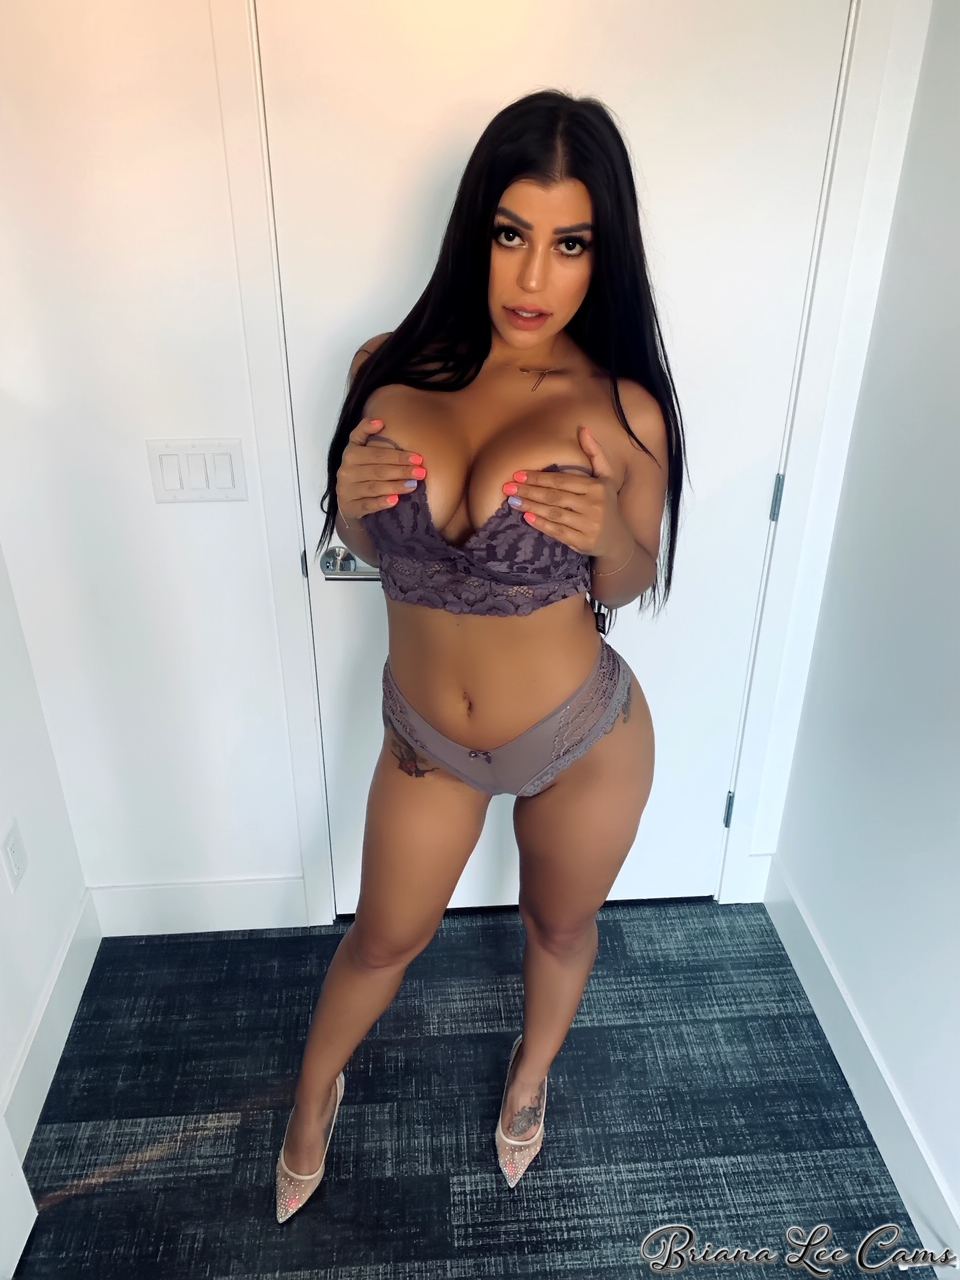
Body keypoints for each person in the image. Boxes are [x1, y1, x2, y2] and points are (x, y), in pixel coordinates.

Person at [275, 88, 687, 1222]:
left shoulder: (625, 411)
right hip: (427, 740)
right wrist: (350, 505)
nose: (534, 276)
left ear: (604, 253)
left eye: (570, 243)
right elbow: (375, 550)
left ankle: (529, 1078)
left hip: (583, 737)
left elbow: (628, 579)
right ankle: (311, 1100)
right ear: (477, 229)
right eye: (512, 233)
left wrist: (607, 535)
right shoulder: (386, 366)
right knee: (383, 938)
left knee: (558, 926)